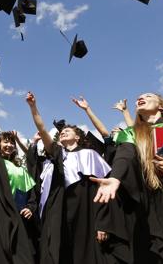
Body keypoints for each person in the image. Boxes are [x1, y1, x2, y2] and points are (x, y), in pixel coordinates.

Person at [92, 92, 163, 263]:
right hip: (155, 204)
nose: (139, 98)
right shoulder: (131, 133)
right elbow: (125, 156)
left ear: (161, 105)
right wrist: (115, 178)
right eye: (137, 98)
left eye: (148, 95)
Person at [25, 91, 125, 264]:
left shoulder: (90, 155)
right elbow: (42, 130)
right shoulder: (55, 157)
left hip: (85, 213)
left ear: (78, 136)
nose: (63, 132)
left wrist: (102, 223)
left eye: (68, 130)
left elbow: (102, 192)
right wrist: (33, 107)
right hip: (58, 214)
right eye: (61, 132)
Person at [0, 101, 36, 263]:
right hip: (0, 213)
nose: (9, 145)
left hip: (19, 217)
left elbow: (31, 195)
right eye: (5, 142)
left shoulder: (21, 168)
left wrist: (30, 208)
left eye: (12, 142)